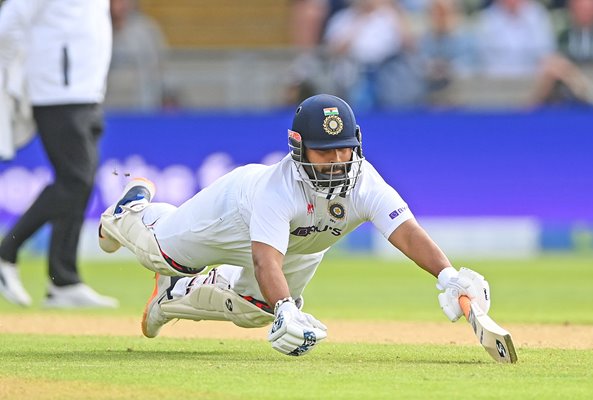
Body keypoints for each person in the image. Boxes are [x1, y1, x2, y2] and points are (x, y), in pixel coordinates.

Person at [98, 94, 491, 356]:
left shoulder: (364, 180)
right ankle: (129, 211)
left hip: (306, 243)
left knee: (255, 311)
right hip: (232, 215)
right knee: (159, 255)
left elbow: (405, 231)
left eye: (345, 149)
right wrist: (287, 307)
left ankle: (173, 298)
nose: (338, 159)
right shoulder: (277, 188)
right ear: (298, 147)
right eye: (324, 151)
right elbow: (265, 259)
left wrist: (449, 276)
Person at [0, 0, 118, 308]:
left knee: (81, 182)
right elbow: (11, 18)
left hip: (87, 92)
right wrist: (9, 71)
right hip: (56, 93)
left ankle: (63, 281)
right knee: (75, 180)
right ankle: (6, 252)